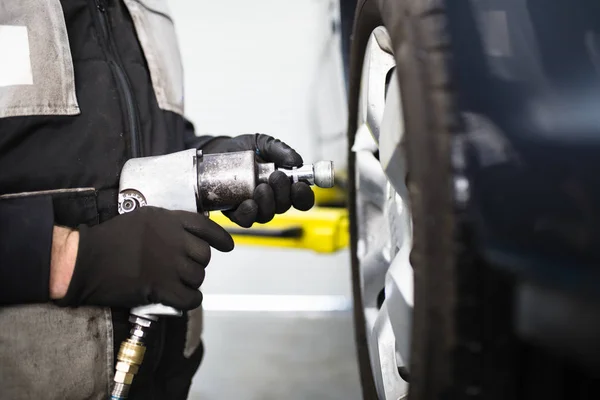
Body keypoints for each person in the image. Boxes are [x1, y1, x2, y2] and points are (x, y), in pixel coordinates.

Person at [0, 1, 315, 399]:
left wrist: (206, 165)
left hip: (160, 374)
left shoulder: (143, 8)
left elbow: (128, 142)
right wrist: (70, 258)